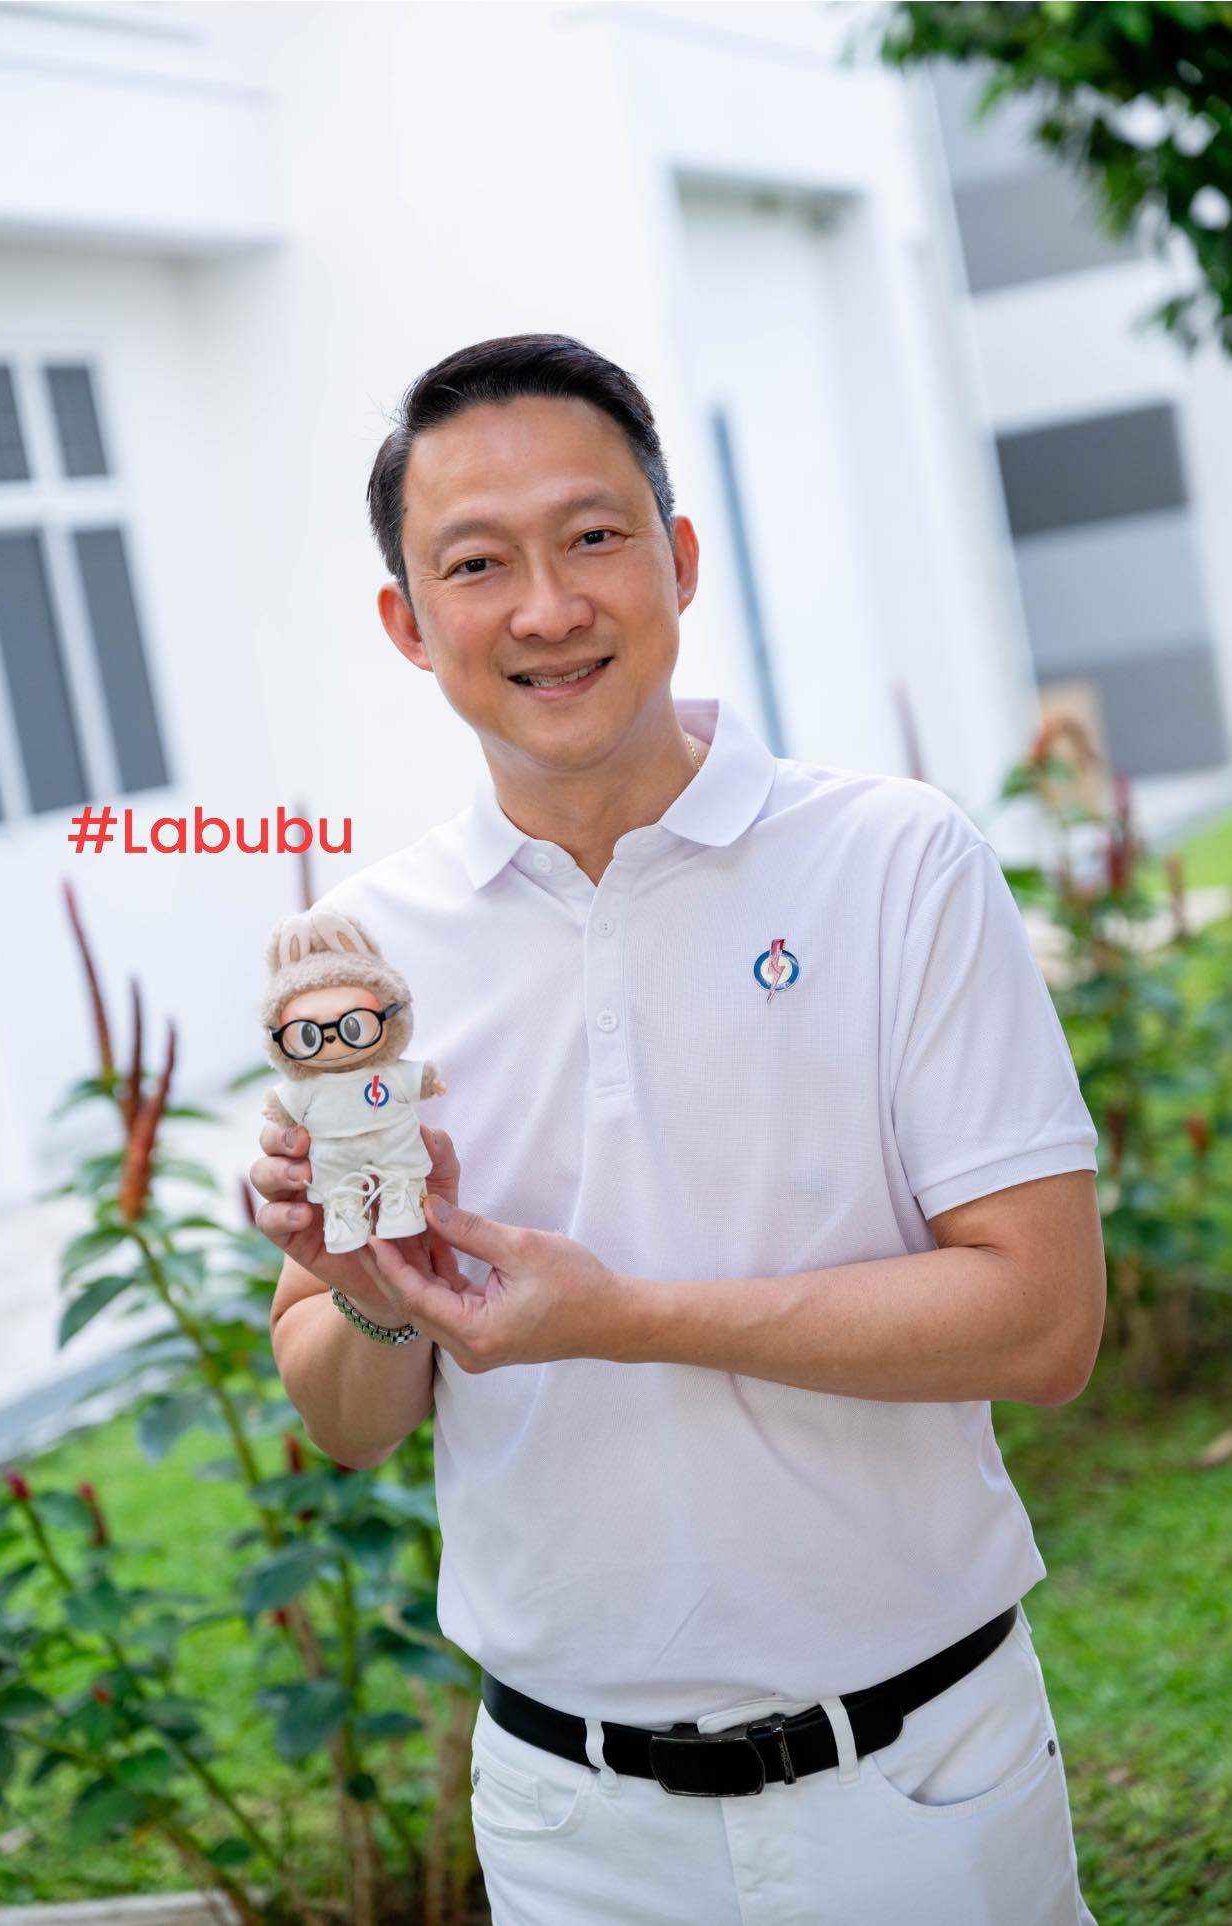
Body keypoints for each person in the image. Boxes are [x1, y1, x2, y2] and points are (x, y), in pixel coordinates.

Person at [251, 333, 1104, 1925]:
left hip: (924, 1777)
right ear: (408, 623)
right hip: (577, 1829)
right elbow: (353, 1414)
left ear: (679, 557)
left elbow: (1047, 1320)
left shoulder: (891, 862)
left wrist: (624, 1318)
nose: (548, 607)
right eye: (476, 563)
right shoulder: (364, 954)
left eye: (592, 537)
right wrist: (368, 1276)